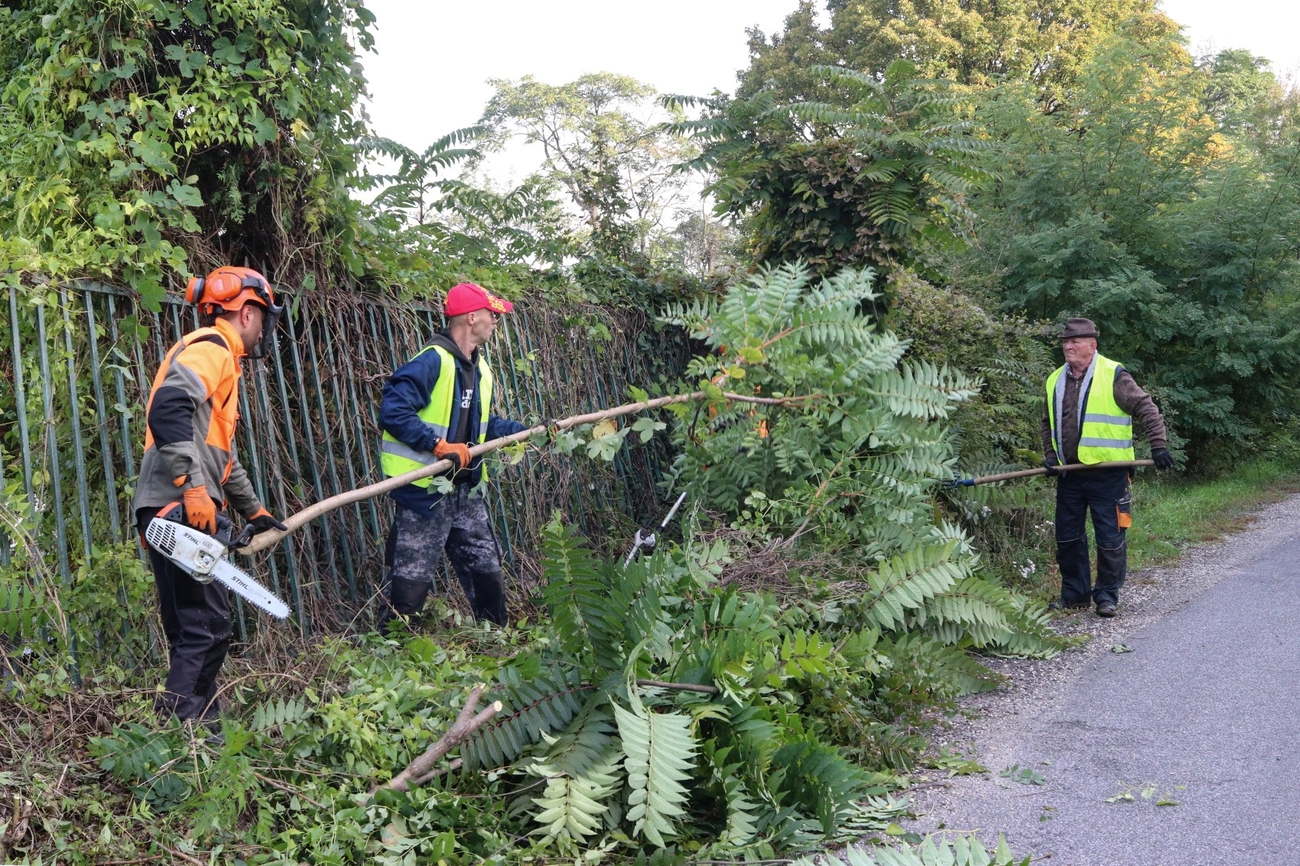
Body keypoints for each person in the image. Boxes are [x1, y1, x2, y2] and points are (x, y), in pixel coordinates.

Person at [133, 266, 288, 729]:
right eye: (262, 317)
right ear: (246, 313)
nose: (264, 328)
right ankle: (182, 731)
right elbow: (167, 408)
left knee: (193, 629)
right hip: (179, 508)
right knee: (207, 628)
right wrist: (193, 488)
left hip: (172, 506)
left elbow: (219, 456)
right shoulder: (213, 350)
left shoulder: (218, 361)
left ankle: (197, 727)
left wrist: (253, 509)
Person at [376, 282, 527, 630]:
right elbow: (394, 413)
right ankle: (390, 648)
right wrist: (438, 447)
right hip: (424, 491)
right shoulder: (432, 361)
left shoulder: (480, 369)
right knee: (409, 584)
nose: (496, 320)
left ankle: (495, 638)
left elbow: (485, 427)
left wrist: (527, 432)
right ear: (472, 317)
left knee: (486, 570)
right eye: (492, 314)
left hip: (465, 490)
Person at [1041, 317, 1175, 618]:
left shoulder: (1113, 374)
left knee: (1110, 539)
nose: (1068, 345)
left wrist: (1158, 446)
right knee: (1067, 539)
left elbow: (1145, 407)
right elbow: (1047, 422)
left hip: (1109, 474)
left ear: (1093, 345)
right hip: (1070, 475)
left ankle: (1106, 596)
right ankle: (1074, 597)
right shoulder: (1054, 380)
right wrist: (1050, 456)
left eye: (1075, 340)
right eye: (1065, 341)